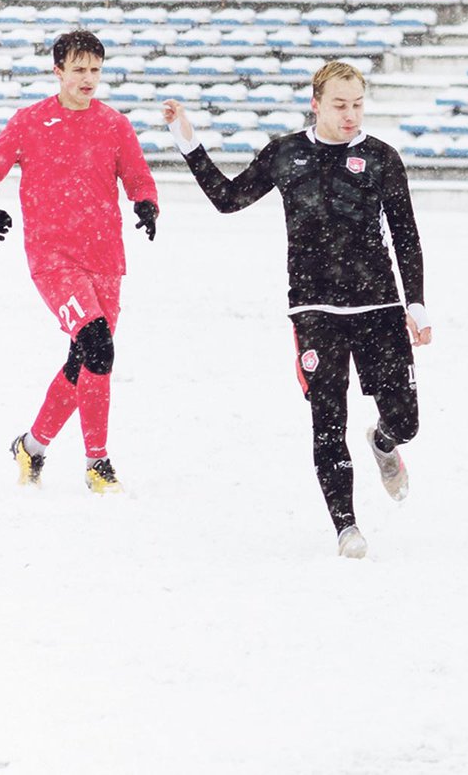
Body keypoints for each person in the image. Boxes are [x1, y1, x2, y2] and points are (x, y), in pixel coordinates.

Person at [162, 60, 431, 559]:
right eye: (339, 105)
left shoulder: (381, 158)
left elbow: (407, 236)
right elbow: (228, 199)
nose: (351, 115)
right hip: (314, 308)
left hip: (378, 304)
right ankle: (346, 527)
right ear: (316, 102)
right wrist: (189, 144)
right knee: (328, 421)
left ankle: (385, 443)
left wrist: (415, 302)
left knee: (407, 421)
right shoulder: (286, 154)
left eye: (357, 105)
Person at [0, 30, 159, 493]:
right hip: (53, 260)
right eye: (79, 69)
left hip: (106, 258)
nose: (88, 78)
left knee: (84, 361)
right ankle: (98, 463)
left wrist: (146, 202)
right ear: (58, 71)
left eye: (95, 69)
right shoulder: (30, 121)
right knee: (98, 347)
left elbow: (137, 174)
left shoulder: (115, 124)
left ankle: (31, 447)